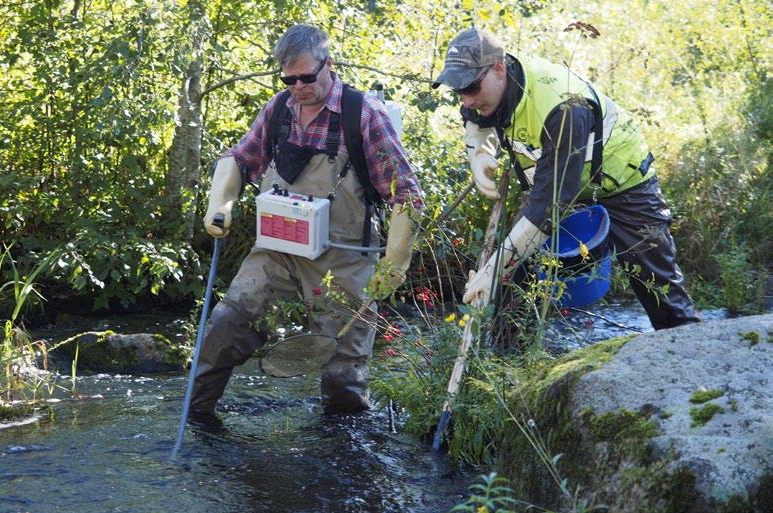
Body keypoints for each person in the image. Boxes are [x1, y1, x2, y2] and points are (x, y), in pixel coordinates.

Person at [191, 24, 423, 418]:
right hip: (277, 251)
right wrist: (221, 204)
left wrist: (395, 263)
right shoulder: (278, 109)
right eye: (289, 79)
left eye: (306, 77)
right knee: (226, 323)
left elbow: (406, 195)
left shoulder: (363, 115)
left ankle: (342, 457)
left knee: (342, 377)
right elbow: (238, 159)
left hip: (343, 260)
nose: (297, 86)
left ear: (328, 64)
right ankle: (196, 418)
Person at [431, 28, 699, 330]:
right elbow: (476, 117)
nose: (466, 100)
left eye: (471, 87)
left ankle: (688, 349)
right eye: (459, 90)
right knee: (513, 276)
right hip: (553, 180)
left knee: (657, 285)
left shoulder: (564, 107)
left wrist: (493, 269)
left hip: (623, 183)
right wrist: (479, 151)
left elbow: (547, 209)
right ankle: (509, 364)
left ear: (498, 68)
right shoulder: (490, 90)